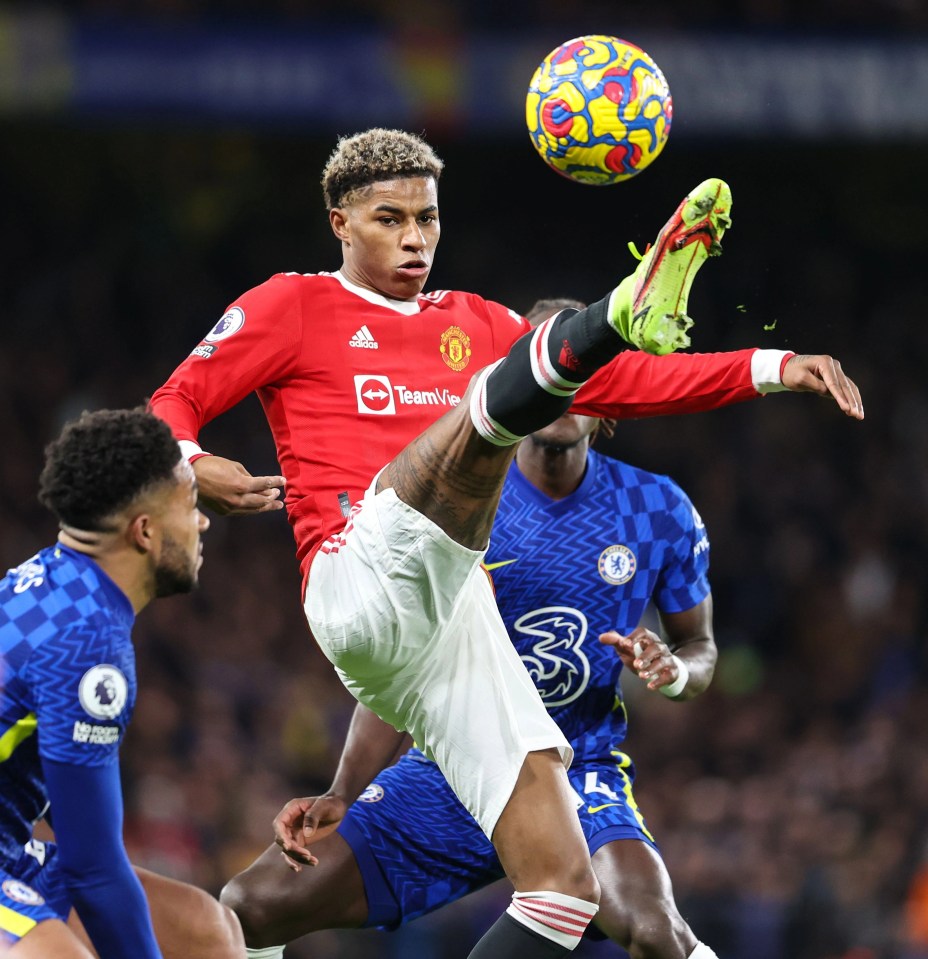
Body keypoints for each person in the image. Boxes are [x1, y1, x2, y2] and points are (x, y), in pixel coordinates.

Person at [149, 128, 862, 958]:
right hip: (359, 566)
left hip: (449, 616)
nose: (415, 238)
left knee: (563, 888)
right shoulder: (291, 305)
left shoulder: (472, 323)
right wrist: (194, 466)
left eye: (428, 218)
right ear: (339, 221)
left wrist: (776, 366)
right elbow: (173, 402)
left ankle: (613, 320)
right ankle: (620, 309)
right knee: (484, 419)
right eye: (390, 219)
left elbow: (630, 383)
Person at [219, 295, 726, 958]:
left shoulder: (659, 508)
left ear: (610, 400)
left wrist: (677, 671)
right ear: (512, 385)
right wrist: (344, 789)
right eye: (550, 371)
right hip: (451, 764)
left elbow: (701, 647)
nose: (565, 390)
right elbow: (410, 657)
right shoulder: (454, 500)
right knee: (250, 905)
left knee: (657, 931)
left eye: (584, 373)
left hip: (579, 768)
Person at [0, 408, 245, 958]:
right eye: (189, 504)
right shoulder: (87, 641)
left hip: (7, 848)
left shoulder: (59, 582)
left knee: (208, 932)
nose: (202, 521)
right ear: (145, 531)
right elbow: (92, 868)